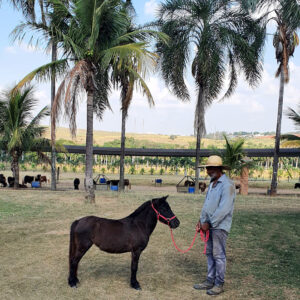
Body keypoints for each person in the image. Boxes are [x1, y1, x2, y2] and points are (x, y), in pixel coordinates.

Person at [193, 155, 236, 296]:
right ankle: (209, 280)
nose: (208, 171)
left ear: (218, 169)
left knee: (218, 255)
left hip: (219, 227)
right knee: (209, 253)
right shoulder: (212, 184)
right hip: (208, 226)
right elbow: (207, 205)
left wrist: (209, 223)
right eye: (207, 168)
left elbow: (224, 209)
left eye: (211, 168)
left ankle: (219, 284)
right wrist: (201, 221)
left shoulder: (227, 185)